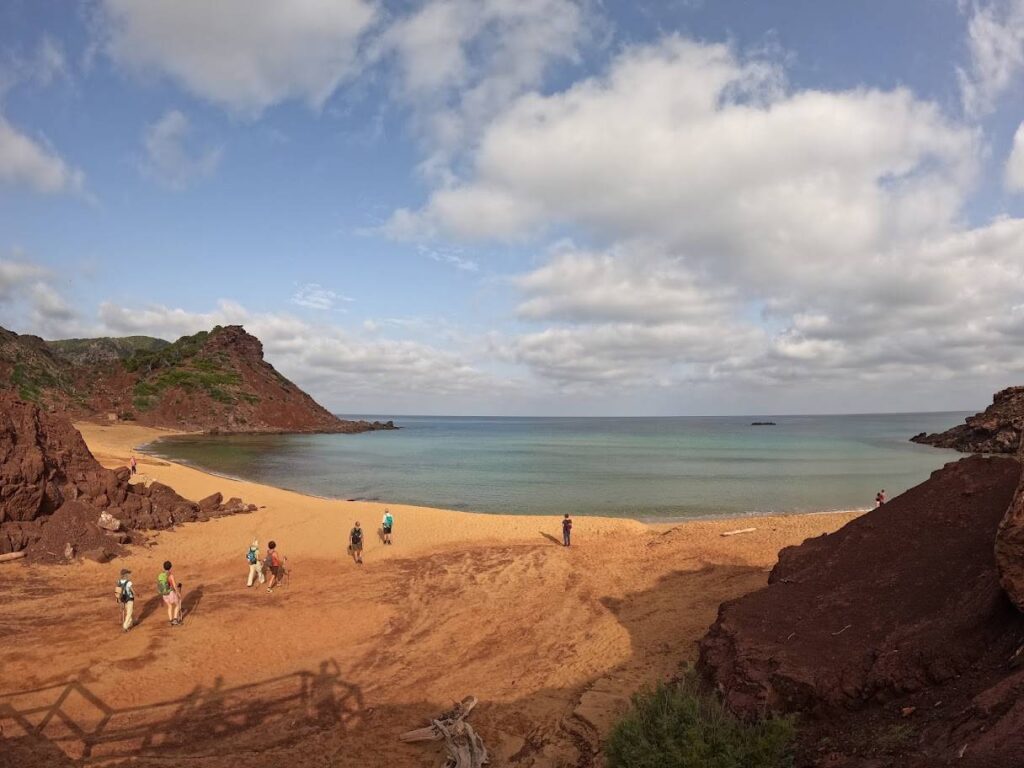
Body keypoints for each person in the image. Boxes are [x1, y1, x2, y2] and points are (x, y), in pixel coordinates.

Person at [157, 561, 182, 626]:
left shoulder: (161, 575)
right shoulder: (170, 575)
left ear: (163, 567)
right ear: (170, 567)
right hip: (170, 593)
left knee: (169, 606)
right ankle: (175, 620)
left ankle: (171, 621)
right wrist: (178, 593)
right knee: (177, 605)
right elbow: (174, 585)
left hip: (164, 594)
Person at [115, 568, 135, 632]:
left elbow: (117, 591)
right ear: (125, 575)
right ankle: (125, 626)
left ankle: (130, 623)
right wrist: (137, 594)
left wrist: (118, 599)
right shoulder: (129, 582)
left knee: (128, 611)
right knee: (129, 612)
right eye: (128, 574)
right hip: (129, 599)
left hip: (123, 599)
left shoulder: (119, 581)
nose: (129, 575)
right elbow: (132, 590)